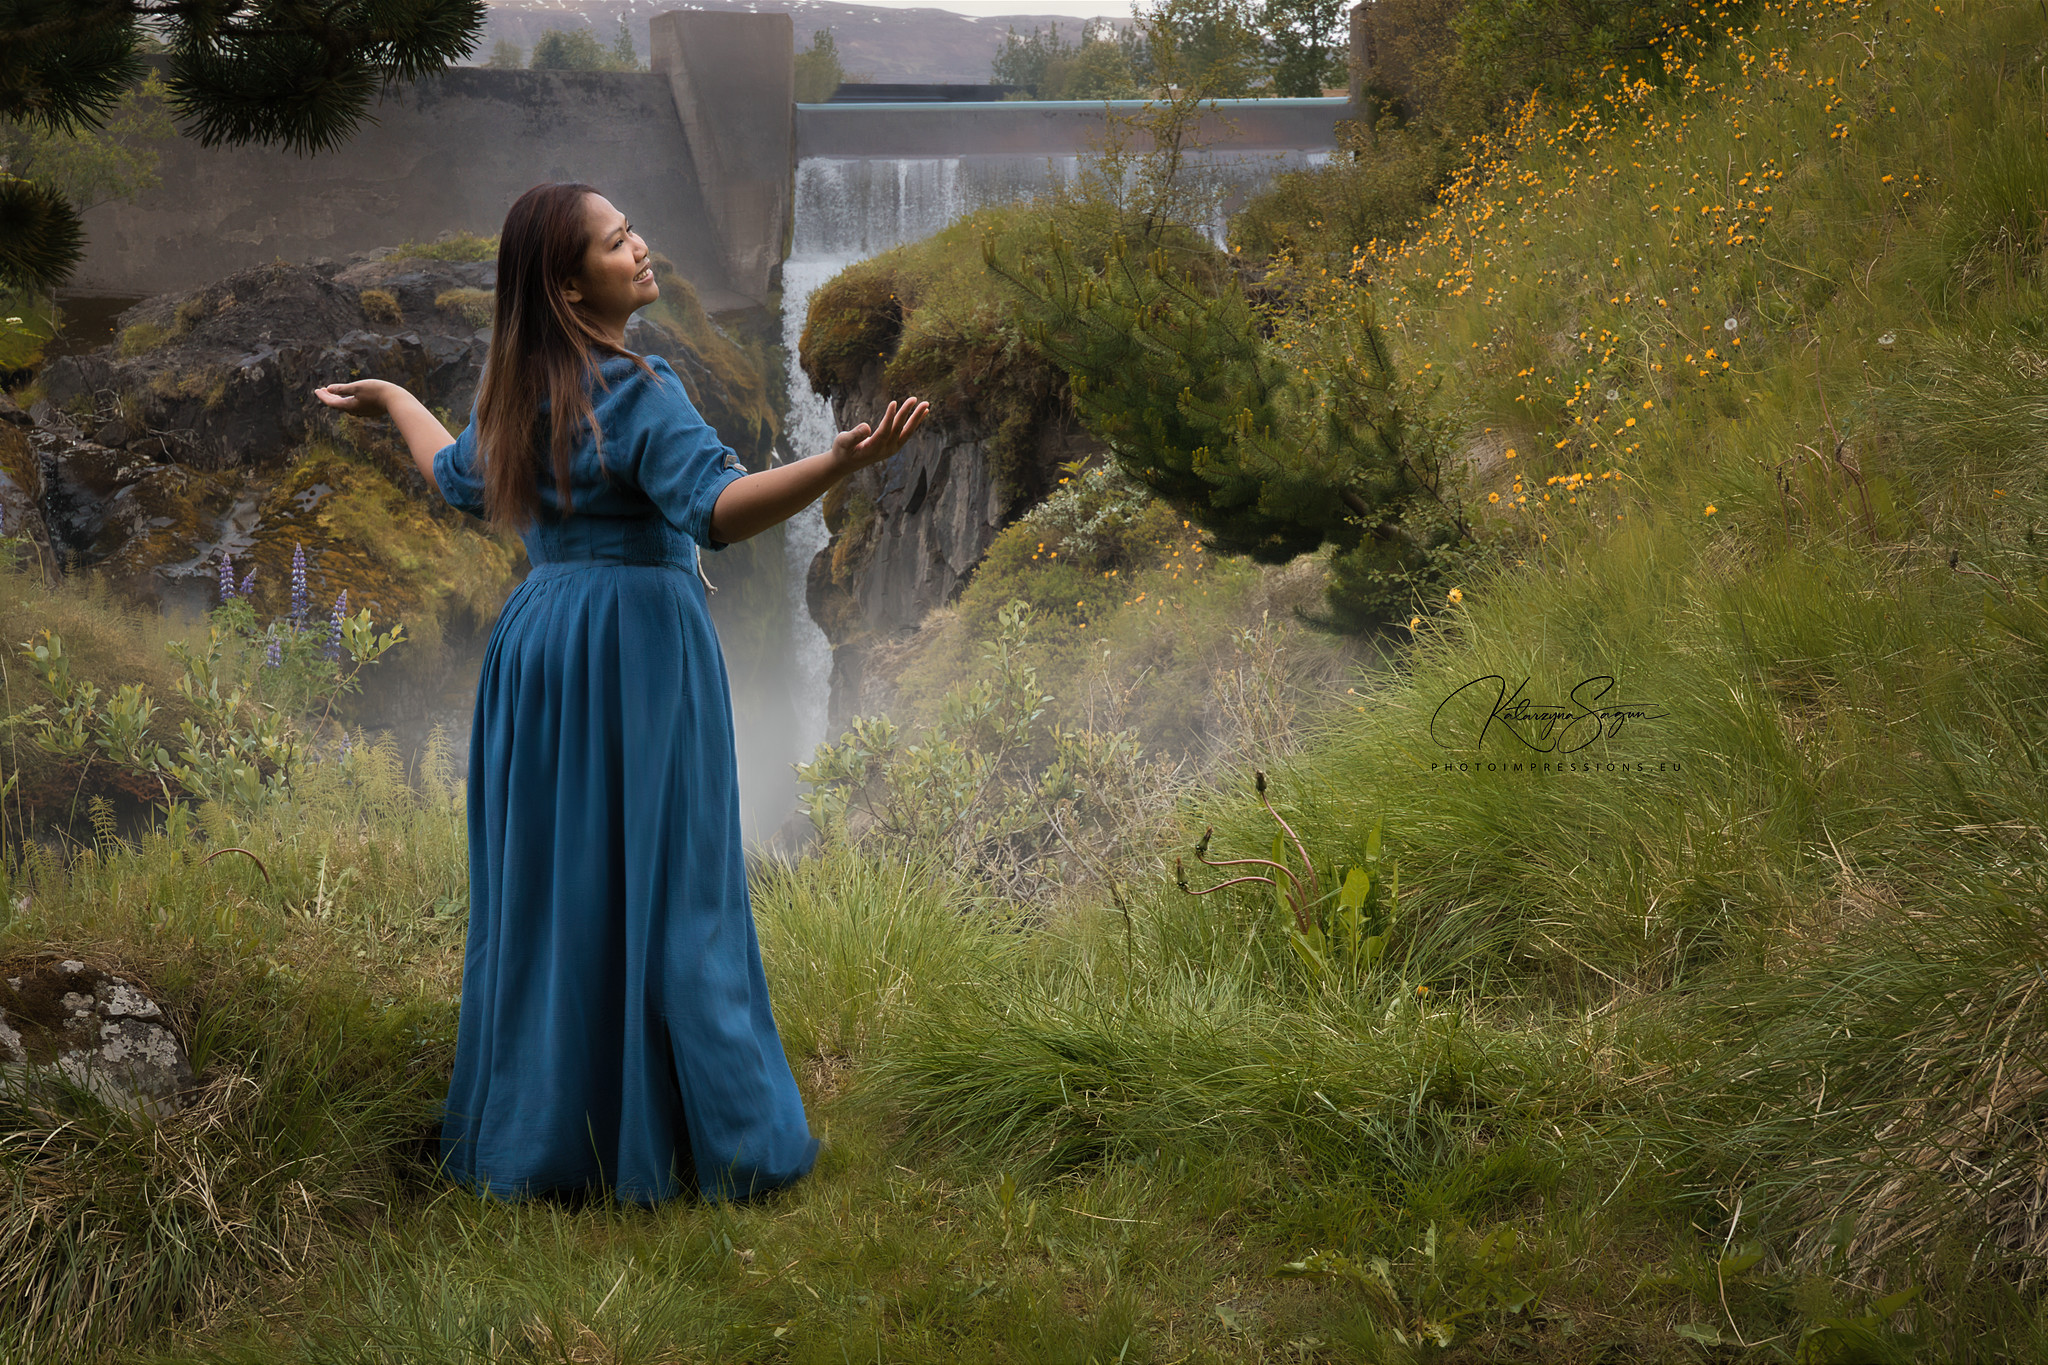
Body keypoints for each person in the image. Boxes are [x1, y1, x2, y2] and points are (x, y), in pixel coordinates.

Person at [312, 182, 928, 1204]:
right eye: (616, 241)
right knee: (677, 886)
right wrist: (835, 464)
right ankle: (712, 1137)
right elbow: (718, 512)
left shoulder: (516, 387)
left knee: (556, 891)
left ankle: (546, 1134)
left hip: (540, 647)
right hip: (640, 650)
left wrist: (390, 398)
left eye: (632, 230)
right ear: (569, 286)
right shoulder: (642, 388)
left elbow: (456, 477)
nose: (641, 248)